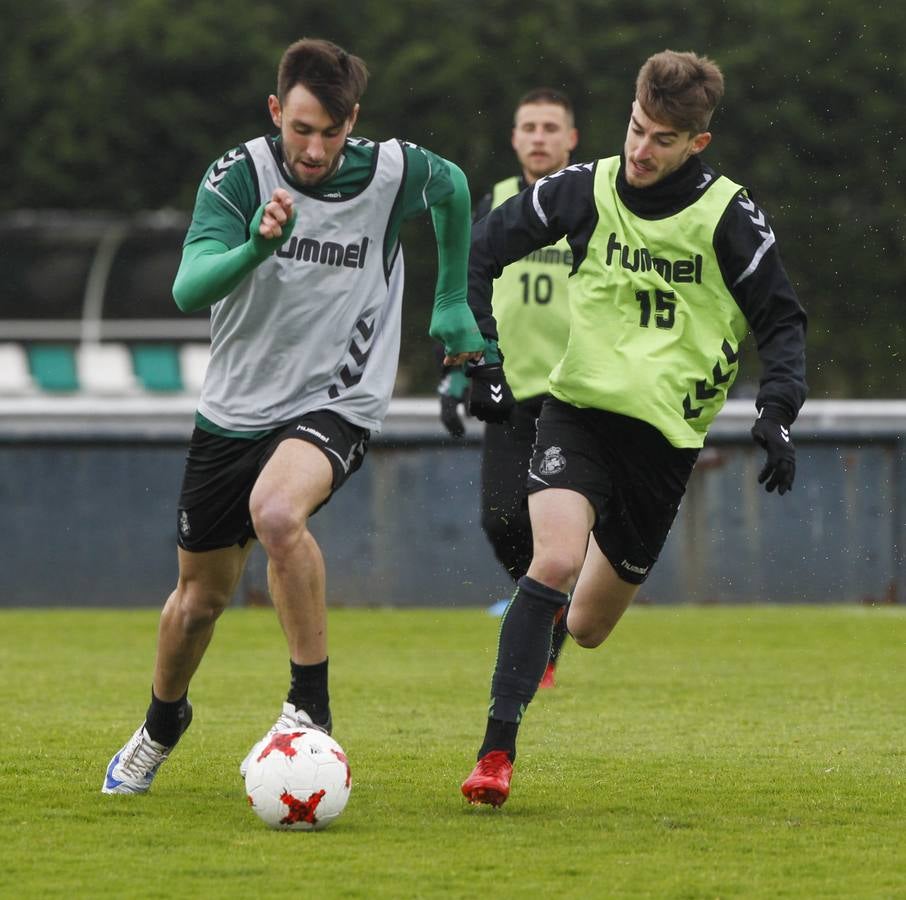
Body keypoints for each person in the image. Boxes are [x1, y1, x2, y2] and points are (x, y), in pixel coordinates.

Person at [101, 36, 507, 795]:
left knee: (279, 513)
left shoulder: (389, 171)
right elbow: (189, 290)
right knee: (198, 603)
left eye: (331, 130)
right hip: (234, 411)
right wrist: (258, 246)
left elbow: (451, 186)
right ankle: (162, 724)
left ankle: (309, 708)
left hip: (338, 399)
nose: (315, 148)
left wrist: (451, 300)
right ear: (274, 111)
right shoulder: (239, 176)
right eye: (300, 128)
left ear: (354, 120)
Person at [459, 50, 807, 807]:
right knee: (551, 559)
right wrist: (478, 347)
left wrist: (777, 413)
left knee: (585, 627)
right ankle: (494, 755)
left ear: (697, 145)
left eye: (661, 140)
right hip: (578, 411)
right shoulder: (587, 188)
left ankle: (546, 630)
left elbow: (781, 322)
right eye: (635, 130)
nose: (640, 151)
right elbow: (483, 247)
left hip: (666, 446)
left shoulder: (727, 216)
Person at [438, 88, 577, 688]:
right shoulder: (493, 204)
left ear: (572, 138)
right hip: (507, 386)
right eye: (530, 127)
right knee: (500, 519)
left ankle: (546, 630)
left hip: (573, 392)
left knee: (564, 524)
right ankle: (550, 607)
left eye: (551, 127)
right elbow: (462, 290)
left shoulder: (591, 203)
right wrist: (455, 373)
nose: (540, 136)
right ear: (515, 138)